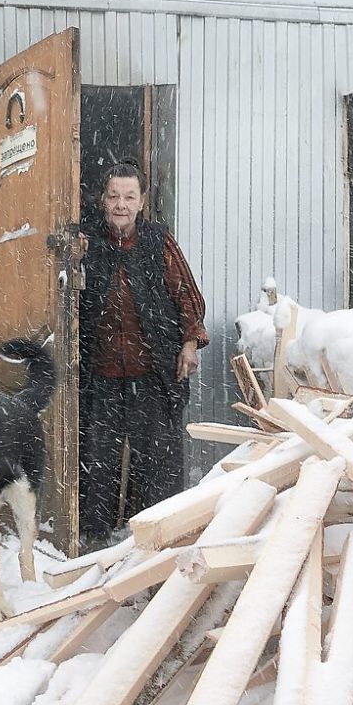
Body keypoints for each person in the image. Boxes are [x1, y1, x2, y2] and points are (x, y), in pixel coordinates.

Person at [78, 159, 208, 545]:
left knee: (157, 462)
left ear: (142, 201)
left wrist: (189, 344)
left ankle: (157, 535)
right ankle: (94, 539)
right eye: (114, 196)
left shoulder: (157, 240)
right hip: (99, 374)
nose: (121, 204)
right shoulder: (87, 241)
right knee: (97, 461)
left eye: (129, 197)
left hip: (151, 372)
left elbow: (187, 296)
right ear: (102, 200)